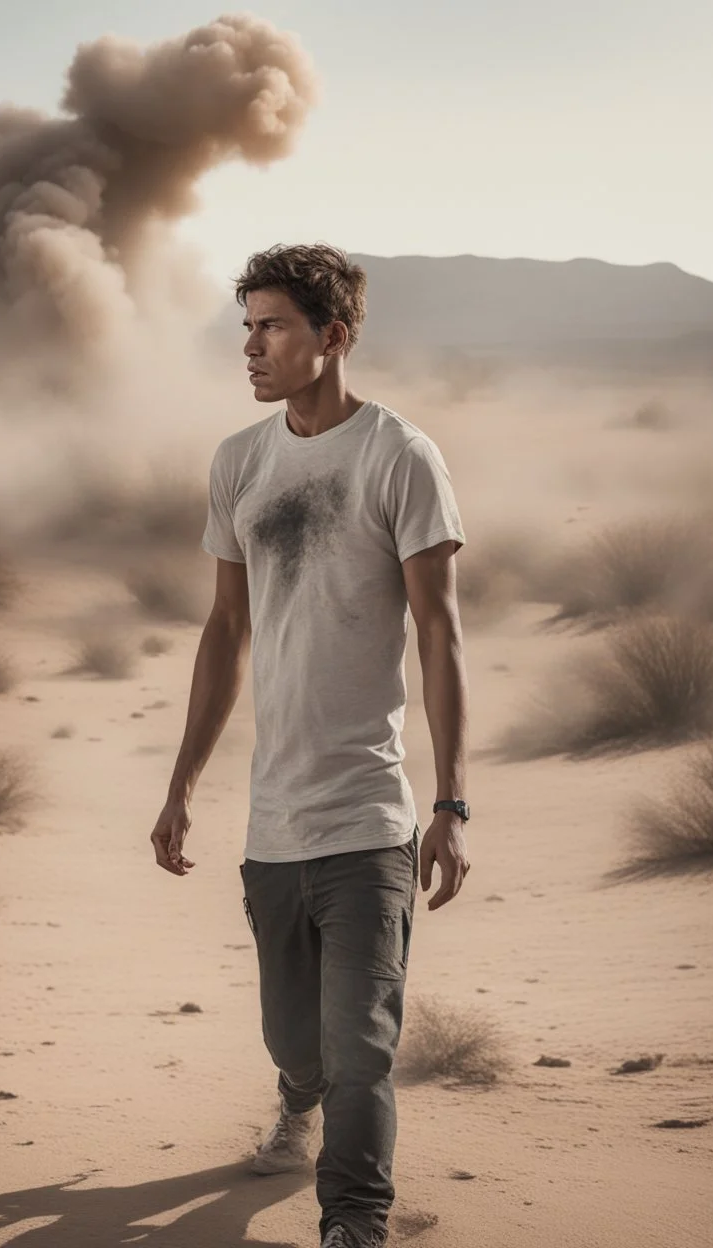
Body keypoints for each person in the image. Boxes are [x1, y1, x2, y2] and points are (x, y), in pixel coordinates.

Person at [150, 243, 471, 1248]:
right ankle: (296, 1098)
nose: (250, 347)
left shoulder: (398, 457)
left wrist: (451, 806)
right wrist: (180, 785)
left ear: (333, 338)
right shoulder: (240, 462)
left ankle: (354, 1222)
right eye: (245, 326)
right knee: (298, 1043)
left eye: (272, 326)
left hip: (370, 814)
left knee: (361, 1047)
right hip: (272, 820)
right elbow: (224, 631)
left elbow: (438, 632)